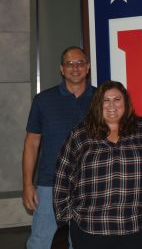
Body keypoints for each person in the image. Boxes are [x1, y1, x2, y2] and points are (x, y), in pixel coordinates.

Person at [53, 81, 142, 249]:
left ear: (126, 102)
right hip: (91, 228)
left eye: (117, 99)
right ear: (97, 104)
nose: (112, 105)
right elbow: (62, 174)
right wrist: (65, 217)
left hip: (138, 225)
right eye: (105, 100)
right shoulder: (80, 133)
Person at [22, 46, 94, 249]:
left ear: (87, 67)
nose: (75, 68)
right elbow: (31, 143)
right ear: (61, 69)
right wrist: (28, 183)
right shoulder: (43, 100)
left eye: (80, 63)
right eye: (69, 63)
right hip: (49, 185)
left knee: (81, 243)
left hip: (89, 184)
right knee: (39, 241)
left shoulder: (101, 100)